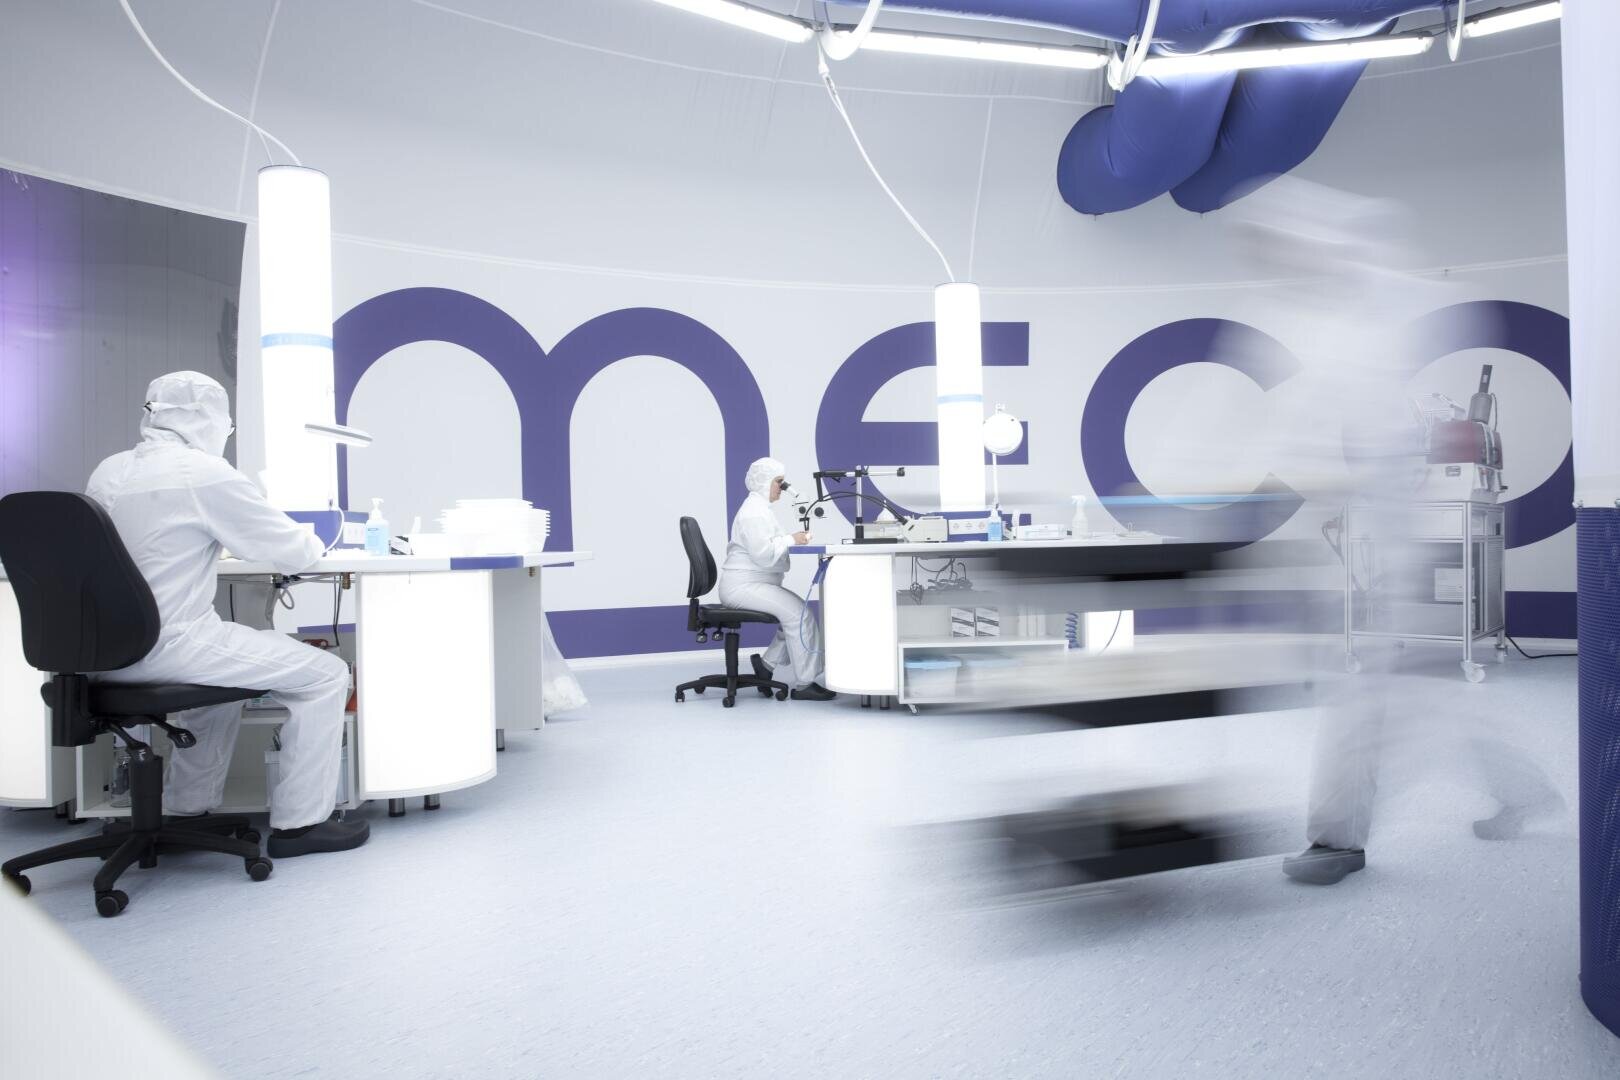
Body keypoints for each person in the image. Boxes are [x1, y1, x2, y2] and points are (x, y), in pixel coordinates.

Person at [86, 371, 368, 858]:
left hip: (99, 655)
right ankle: (300, 825)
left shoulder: (108, 471)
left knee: (217, 682)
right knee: (325, 675)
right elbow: (294, 552)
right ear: (210, 420)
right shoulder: (204, 473)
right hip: (170, 646)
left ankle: (185, 808)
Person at [719, 457, 836, 701]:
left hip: (753, 584)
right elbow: (763, 554)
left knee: (793, 615)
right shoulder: (753, 513)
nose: (782, 487)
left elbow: (771, 544)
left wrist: (792, 538)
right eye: (778, 482)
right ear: (763, 481)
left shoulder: (761, 510)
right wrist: (792, 539)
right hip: (742, 587)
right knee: (799, 615)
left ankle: (766, 665)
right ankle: (805, 684)